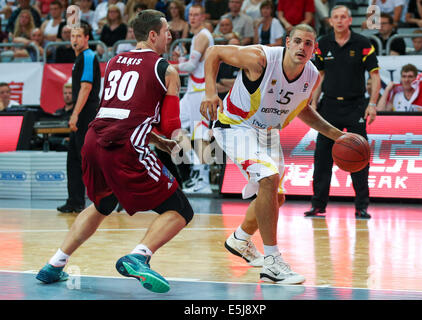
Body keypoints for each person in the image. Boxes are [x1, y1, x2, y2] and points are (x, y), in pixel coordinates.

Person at [36, 9, 193, 294]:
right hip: (123, 148)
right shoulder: (166, 69)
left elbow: (121, 114)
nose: (172, 35)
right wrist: (188, 144)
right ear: (153, 35)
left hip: (93, 141)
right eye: (167, 30)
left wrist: (159, 142)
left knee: (102, 205)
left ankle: (55, 264)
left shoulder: (115, 62)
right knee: (181, 210)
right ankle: (139, 256)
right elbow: (171, 125)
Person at [200, 24, 345, 284]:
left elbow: (301, 109)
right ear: (288, 42)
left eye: (308, 43)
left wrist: (338, 135)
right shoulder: (260, 58)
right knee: (268, 178)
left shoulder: (311, 75)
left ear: (314, 49)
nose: (302, 47)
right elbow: (213, 52)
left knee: (275, 198)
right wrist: (211, 93)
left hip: (267, 132)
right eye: (298, 41)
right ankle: (272, 262)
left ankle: (240, 240)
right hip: (236, 125)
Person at [306, 5, 381, 219]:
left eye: (343, 17)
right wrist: (313, 101)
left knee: (359, 156)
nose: (339, 21)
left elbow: (375, 76)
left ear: (350, 20)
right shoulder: (322, 44)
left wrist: (373, 104)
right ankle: (318, 205)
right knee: (322, 159)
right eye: (335, 17)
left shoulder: (363, 43)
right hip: (328, 107)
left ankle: (361, 206)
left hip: (355, 106)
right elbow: (318, 75)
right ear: (330, 21)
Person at [57, 22, 100, 214]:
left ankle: (109, 197)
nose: (74, 39)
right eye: (72, 36)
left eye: (78, 36)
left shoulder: (89, 56)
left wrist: (74, 114)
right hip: (80, 114)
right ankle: (74, 201)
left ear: (87, 38)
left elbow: (86, 87)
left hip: (87, 114)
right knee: (73, 159)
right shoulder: (79, 59)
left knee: (88, 159)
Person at [172, 4, 214, 193]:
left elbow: (189, 67)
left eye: (197, 15)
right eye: (191, 14)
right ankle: (196, 169)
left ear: (203, 16)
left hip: (201, 91)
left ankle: (203, 178)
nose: (193, 18)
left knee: (201, 133)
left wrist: (172, 64)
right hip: (193, 90)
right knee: (174, 127)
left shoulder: (203, 36)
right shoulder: (198, 36)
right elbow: (190, 66)